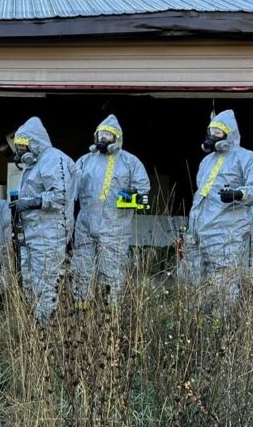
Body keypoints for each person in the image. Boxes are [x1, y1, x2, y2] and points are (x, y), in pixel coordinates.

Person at [185, 109, 253, 302]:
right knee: (195, 282)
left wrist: (239, 193)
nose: (213, 136)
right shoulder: (207, 161)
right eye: (211, 132)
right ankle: (197, 326)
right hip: (198, 233)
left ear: (229, 133)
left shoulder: (246, 158)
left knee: (224, 281)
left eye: (218, 132)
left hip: (226, 232)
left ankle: (222, 326)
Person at [71, 114, 151, 305]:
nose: (104, 139)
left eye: (109, 135)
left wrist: (128, 199)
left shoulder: (130, 162)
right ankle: (82, 312)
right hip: (85, 226)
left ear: (117, 138)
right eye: (101, 135)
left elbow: (143, 193)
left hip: (115, 228)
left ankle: (110, 314)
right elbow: (71, 190)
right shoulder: (84, 161)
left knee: (112, 272)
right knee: (82, 270)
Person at [9, 116, 75, 326]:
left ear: (34, 142)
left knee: (45, 283)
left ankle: (45, 329)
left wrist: (31, 203)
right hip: (33, 233)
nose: (19, 151)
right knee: (30, 281)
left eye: (23, 146)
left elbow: (60, 196)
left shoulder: (53, 160)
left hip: (49, 234)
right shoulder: (35, 164)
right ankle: (34, 326)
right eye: (17, 146)